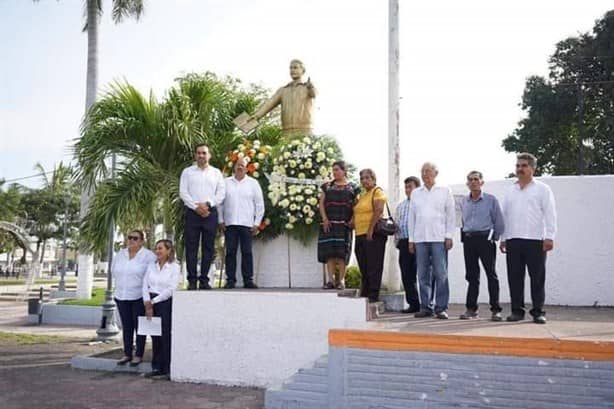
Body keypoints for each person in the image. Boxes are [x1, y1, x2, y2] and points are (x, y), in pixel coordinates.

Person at [500, 153, 557, 324]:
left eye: (524, 166)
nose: (520, 169)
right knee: (515, 278)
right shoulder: (510, 191)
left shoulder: (542, 189)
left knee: (537, 278)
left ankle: (538, 312)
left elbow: (550, 214)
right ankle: (517, 311)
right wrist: (503, 238)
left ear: (533, 168)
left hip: (535, 240)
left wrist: (549, 237)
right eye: (518, 166)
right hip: (514, 240)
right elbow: (505, 216)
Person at [408, 162, 455, 319]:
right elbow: (412, 217)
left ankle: (441, 308)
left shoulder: (444, 191)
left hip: (439, 238)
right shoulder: (416, 193)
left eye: (428, 171)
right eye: (422, 171)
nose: (425, 174)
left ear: (436, 173)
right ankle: (426, 307)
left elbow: (450, 215)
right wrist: (411, 239)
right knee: (422, 274)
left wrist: (449, 235)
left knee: (441, 273)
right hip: (420, 239)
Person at [459, 171, 505, 321]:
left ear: (482, 182)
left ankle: (496, 309)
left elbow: (498, 220)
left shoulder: (491, 200)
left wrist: (495, 238)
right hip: (469, 240)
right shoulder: (464, 201)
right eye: (470, 180)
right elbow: (462, 221)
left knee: (491, 274)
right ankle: (471, 309)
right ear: (467, 183)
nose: (473, 182)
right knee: (472, 276)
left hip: (485, 240)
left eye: (476, 179)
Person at [179, 144, 225, 290]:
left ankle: (204, 280)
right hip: (192, 214)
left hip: (210, 214)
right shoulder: (187, 172)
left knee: (208, 248)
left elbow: (221, 193)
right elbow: (183, 192)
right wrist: (196, 207)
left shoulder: (216, 173)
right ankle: (192, 280)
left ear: (209, 155)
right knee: (191, 247)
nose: (201, 156)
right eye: (198, 153)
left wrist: (207, 205)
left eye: (204, 153)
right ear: (195, 155)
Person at [111, 229, 156, 366]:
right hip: (121, 295)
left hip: (139, 296)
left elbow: (151, 277)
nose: (131, 240)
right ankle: (127, 354)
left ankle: (139, 354)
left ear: (142, 241)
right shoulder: (120, 254)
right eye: (129, 237)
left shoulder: (148, 256)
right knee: (127, 326)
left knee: (139, 327)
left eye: (135, 238)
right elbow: (114, 271)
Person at [219, 158, 265, 289]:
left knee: (247, 252)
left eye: (242, 166)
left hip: (247, 224)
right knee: (230, 252)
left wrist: (257, 223)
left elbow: (259, 204)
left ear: (246, 169)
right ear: (234, 167)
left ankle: (248, 280)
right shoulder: (225, 182)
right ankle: (230, 280)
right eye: (238, 165)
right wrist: (221, 220)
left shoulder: (253, 183)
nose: (240, 167)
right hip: (230, 223)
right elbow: (220, 204)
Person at [317, 161, 360, 290]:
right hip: (329, 224)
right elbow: (321, 204)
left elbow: (357, 206)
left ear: (344, 170)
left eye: (337, 170)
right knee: (330, 254)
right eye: (333, 170)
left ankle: (341, 281)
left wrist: (353, 219)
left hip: (344, 225)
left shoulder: (353, 187)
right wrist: (324, 219)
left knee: (342, 254)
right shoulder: (327, 186)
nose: (334, 172)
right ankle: (331, 280)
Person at [143, 239, 182, 379]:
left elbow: (171, 289)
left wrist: (153, 301)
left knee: (165, 336)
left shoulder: (174, 267)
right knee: (154, 336)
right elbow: (145, 285)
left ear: (168, 250)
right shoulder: (151, 266)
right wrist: (147, 301)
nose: (157, 251)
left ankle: (166, 369)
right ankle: (156, 367)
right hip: (150, 302)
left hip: (164, 302)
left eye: (160, 248)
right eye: (156, 248)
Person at [247, 59, 316, 137]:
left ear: (303, 70)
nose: (292, 70)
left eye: (295, 68)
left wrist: (311, 87)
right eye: (291, 68)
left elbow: (314, 94)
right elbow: (270, 103)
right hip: (286, 131)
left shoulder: (307, 87)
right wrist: (257, 116)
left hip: (305, 130)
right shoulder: (283, 90)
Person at [353, 169, 388, 302]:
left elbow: (378, 210)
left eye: (367, 178)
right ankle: (366, 292)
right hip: (360, 234)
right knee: (364, 265)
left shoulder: (377, 191)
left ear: (373, 179)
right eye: (362, 178)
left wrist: (370, 230)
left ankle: (373, 295)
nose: (364, 181)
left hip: (373, 234)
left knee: (374, 265)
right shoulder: (363, 195)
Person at [395, 176, 421, 313]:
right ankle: (413, 304)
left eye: (410, 186)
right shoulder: (401, 206)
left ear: (417, 188)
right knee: (406, 275)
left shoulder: (422, 204)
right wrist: (397, 242)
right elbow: (397, 225)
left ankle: (427, 304)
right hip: (404, 243)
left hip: (419, 243)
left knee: (421, 274)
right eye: (406, 187)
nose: (407, 189)